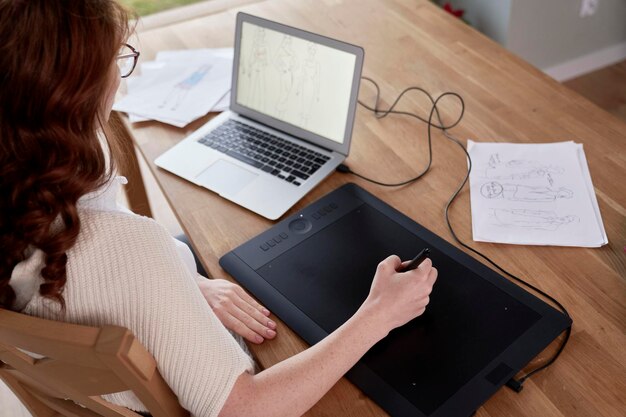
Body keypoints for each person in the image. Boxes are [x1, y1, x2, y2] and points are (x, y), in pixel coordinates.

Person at [0, 1, 437, 416]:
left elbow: (112, 278)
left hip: (106, 349)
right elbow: (244, 410)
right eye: (117, 58)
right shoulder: (130, 249)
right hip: (186, 393)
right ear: (76, 90)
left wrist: (180, 283)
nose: (120, 74)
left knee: (208, 250)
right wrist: (379, 314)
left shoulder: (21, 173)